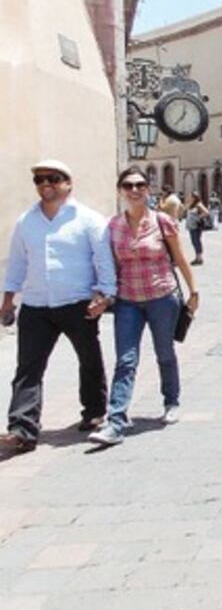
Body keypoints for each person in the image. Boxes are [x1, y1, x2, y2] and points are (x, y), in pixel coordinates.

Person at [0, 160, 116, 453]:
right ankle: (22, 430)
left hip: (78, 302)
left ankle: (93, 411)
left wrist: (105, 295)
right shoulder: (26, 221)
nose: (45, 184)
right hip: (37, 304)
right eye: (39, 180)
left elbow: (103, 260)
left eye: (52, 178)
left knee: (88, 359)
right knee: (28, 368)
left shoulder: (89, 219)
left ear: (68, 183)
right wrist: (8, 300)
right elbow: (17, 263)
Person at [88, 170, 200, 445]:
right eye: (128, 185)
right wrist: (104, 295)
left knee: (164, 352)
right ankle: (116, 422)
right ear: (120, 190)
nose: (134, 189)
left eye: (140, 185)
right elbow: (111, 266)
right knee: (126, 361)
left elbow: (180, 259)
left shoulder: (162, 222)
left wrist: (193, 290)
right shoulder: (112, 226)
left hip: (163, 297)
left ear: (147, 190)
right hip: (128, 301)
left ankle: (171, 401)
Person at [185, 192, 209, 266]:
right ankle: (197, 257)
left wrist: (198, 218)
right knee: (194, 242)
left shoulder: (199, 204)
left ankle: (199, 258)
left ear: (195, 197)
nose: (189, 198)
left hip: (196, 226)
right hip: (191, 226)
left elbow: (206, 212)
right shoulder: (191, 205)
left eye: (191, 197)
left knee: (196, 241)